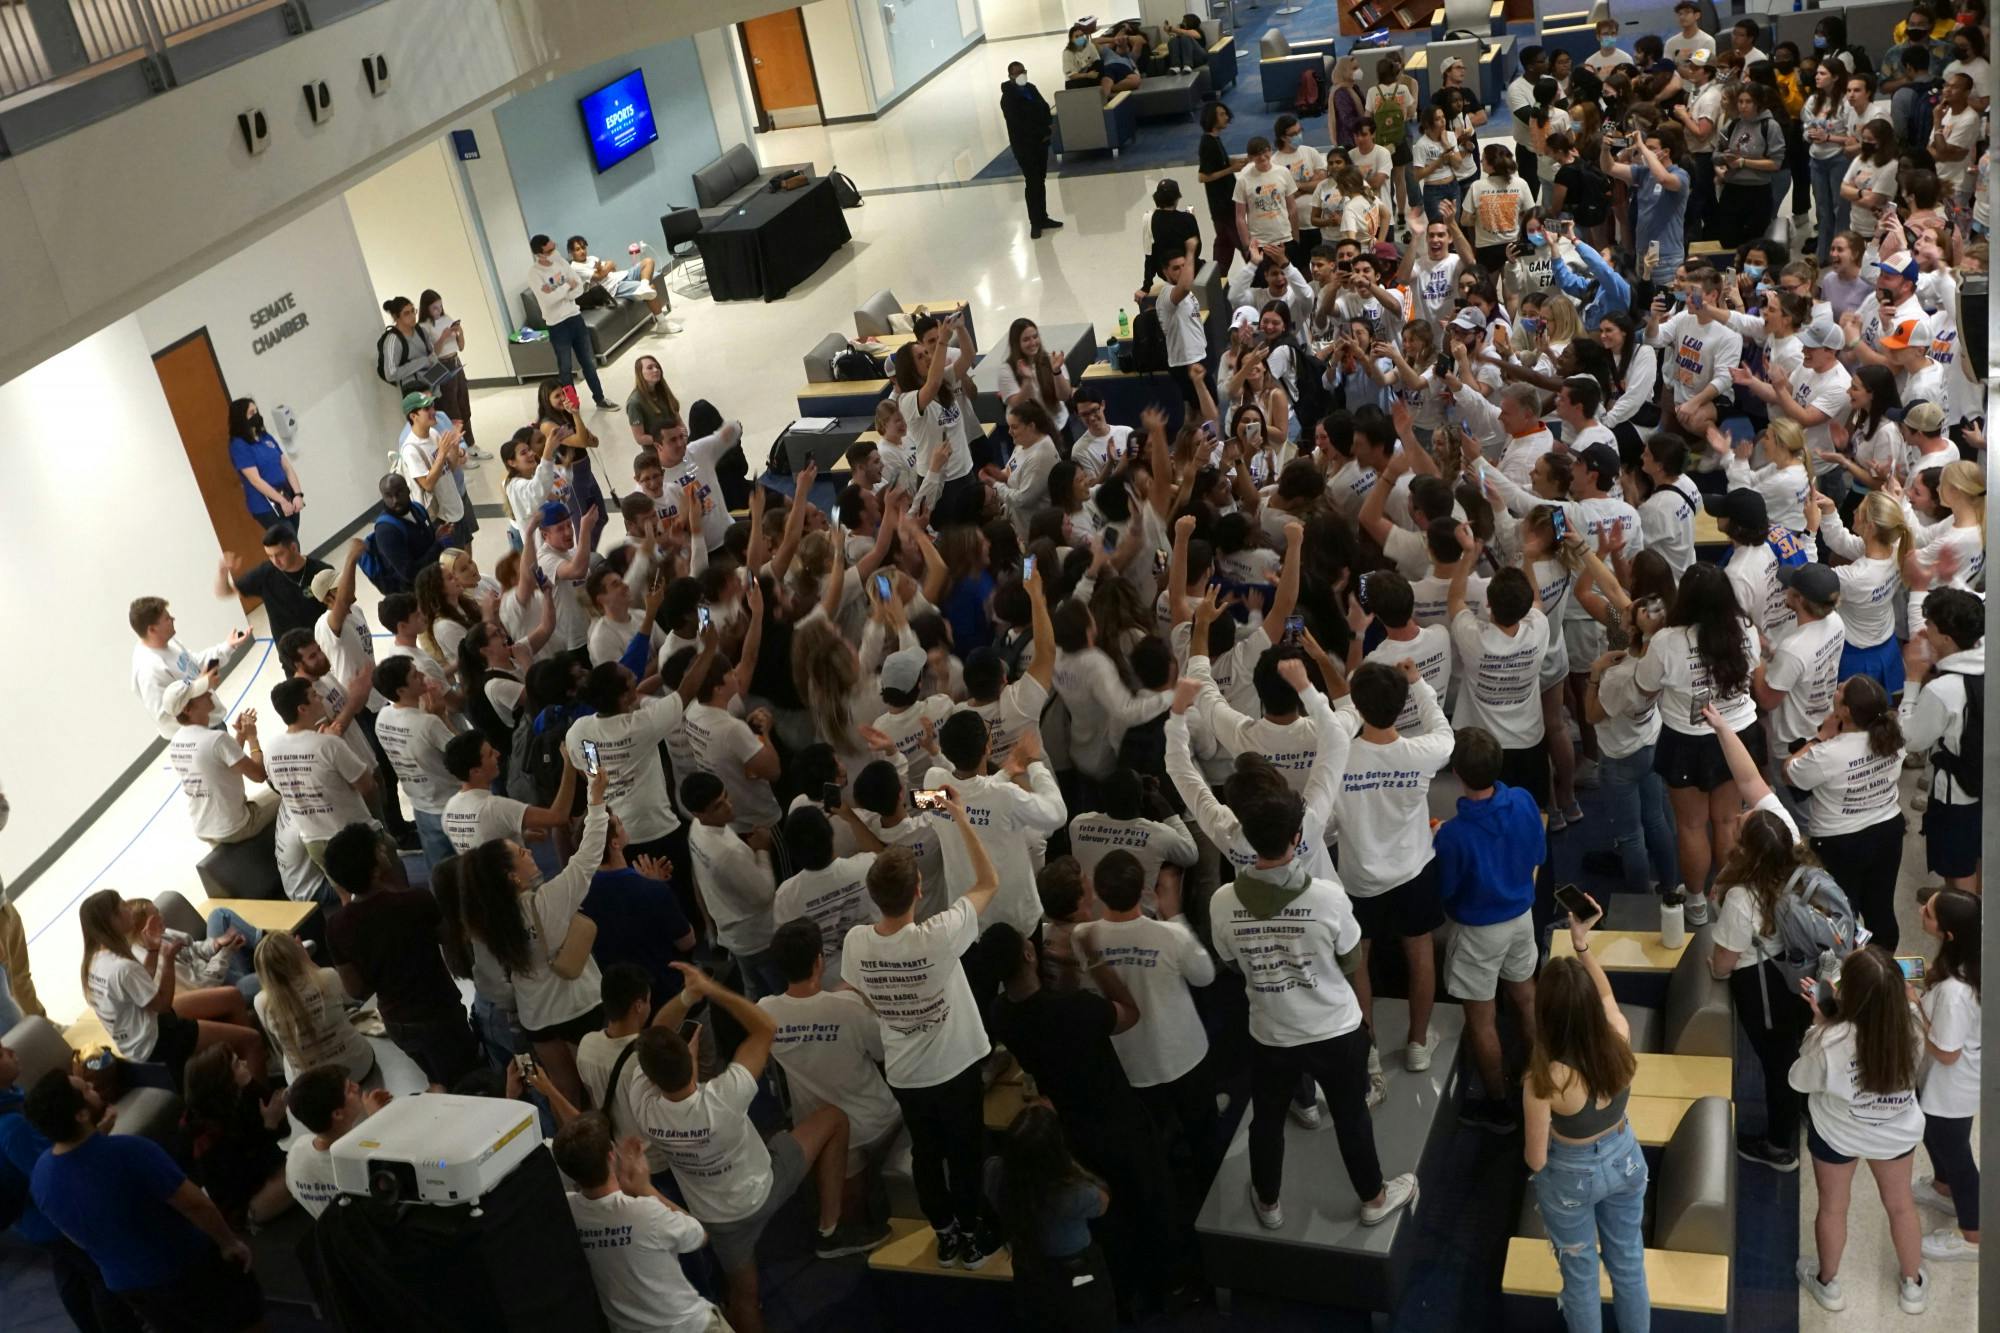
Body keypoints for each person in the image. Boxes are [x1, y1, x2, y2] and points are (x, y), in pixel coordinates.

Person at [1204, 660, 1418, 1230]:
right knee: (1351, 1116)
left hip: (1271, 1030)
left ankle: (1268, 1203)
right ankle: (1373, 1200)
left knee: (1266, 1119)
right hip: (1334, 1029)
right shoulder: (1326, 896)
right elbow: (1352, 962)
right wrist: (1312, 679)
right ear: (1299, 832)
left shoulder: (1223, 901)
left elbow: (1227, 961)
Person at [633, 963, 884, 1333]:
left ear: (651, 1077)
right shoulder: (725, 1096)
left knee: (744, 1299)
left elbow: (655, 1031)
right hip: (766, 1186)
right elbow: (765, 1028)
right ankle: (831, 1229)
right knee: (833, 1117)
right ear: (691, 1057)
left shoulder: (643, 1107)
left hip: (719, 1222)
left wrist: (688, 997)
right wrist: (707, 990)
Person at [985, 917, 1178, 1318]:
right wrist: (1094, 959)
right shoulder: (1077, 1009)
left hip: (1070, 1130)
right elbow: (1128, 1013)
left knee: (1106, 1221)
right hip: (1119, 1122)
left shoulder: (1000, 1014)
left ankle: (1121, 1293)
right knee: (1148, 1202)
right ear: (1028, 953)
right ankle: (1164, 1289)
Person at [842, 793, 1003, 1270]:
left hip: (906, 1072)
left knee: (927, 1155)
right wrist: (956, 815)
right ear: (917, 891)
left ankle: (945, 1233)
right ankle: (972, 1235)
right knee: (966, 1152)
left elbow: (863, 994)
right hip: (953, 1067)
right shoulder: (938, 934)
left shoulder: (857, 943)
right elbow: (988, 881)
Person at [23, 1070, 264, 1333]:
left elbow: (76, 1232)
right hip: (186, 1266)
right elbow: (195, 1204)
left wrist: (96, 1136)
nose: (93, 1086)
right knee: (244, 1321)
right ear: (80, 1115)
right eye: (86, 1090)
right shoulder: (131, 1152)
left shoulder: (41, 1175)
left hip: (128, 1284)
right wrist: (229, 1242)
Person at [1525, 892, 1650, 1333]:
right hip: (1627, 1157)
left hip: (1571, 1177)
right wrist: (1581, 946)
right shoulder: (1617, 1033)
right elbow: (1607, 995)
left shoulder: (1545, 1079)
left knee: (1580, 1279)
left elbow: (1537, 1160)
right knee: (1629, 1264)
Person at [459, 763, 613, 1105]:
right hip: (577, 1006)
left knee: (564, 1092)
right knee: (599, 1089)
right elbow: (587, 858)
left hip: (536, 1016)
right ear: (512, 876)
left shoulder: (485, 918)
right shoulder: (548, 902)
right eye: (521, 853)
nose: (529, 852)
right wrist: (596, 799)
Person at [1791, 947, 1931, 1316]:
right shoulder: (1914, 1023)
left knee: (1833, 1208)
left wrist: (1820, 1025)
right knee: (1901, 1206)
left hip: (1837, 1133)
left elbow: (1801, 1081)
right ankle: (1913, 1285)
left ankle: (1828, 1283)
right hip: (1896, 1132)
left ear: (1846, 994)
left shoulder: (1830, 1039)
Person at [1331, 659, 1455, 1071]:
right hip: (1413, 871)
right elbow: (1443, 731)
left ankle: (1367, 1049)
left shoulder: (1338, 760)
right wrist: (1419, 684)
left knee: (1358, 959)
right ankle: (1418, 1043)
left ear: (1358, 707)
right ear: (1400, 706)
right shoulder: (1421, 753)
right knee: (1420, 953)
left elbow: (1328, 825)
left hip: (1359, 878)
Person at [1435, 726, 1546, 1133]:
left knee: (1482, 1019)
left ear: (1458, 775)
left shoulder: (1452, 835)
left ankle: (1498, 1106)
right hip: (1522, 918)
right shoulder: (1523, 801)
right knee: (1525, 995)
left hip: (1477, 932)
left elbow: (1445, 891)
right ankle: (1542, 1080)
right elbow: (1538, 852)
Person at [758, 919, 903, 1211]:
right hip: (878, 1123)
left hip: (821, 1135)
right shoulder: (849, 1007)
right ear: (819, 961)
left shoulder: (764, 1012)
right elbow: (884, 1052)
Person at [321, 824, 480, 1087]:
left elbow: (356, 990)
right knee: (467, 1073)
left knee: (436, 1079)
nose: (384, 850)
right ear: (374, 869)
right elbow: (451, 939)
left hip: (397, 1021)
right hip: (440, 1010)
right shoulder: (416, 901)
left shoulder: (337, 927)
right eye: (378, 849)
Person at [0, 1046, 137, 1333]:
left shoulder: (13, 1097)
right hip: (51, 1220)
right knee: (99, 1276)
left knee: (71, 1274)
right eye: (1, 1054)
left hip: (40, 1221)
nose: (12, 1051)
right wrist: (98, 1134)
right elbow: (53, 1172)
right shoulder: (11, 1125)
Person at [551, 1112, 726, 1333]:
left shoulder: (566, 1211)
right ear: (611, 1156)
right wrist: (645, 1189)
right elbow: (699, 1235)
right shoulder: (646, 1212)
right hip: (689, 1326)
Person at [78, 888, 264, 1089]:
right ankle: (262, 1099)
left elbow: (141, 984)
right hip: (154, 1039)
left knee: (231, 995)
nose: (128, 910)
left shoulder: (95, 962)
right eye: (123, 907)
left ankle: (245, 1067)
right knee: (251, 1040)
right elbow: (163, 1004)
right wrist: (166, 958)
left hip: (138, 1030)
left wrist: (153, 949)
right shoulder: (121, 967)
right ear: (111, 921)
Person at [1783, 677, 1907, 950]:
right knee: (1880, 906)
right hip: (1887, 831)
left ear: (1846, 711)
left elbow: (1791, 772)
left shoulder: (1829, 752)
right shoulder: (1893, 736)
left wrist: (1821, 737)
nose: (1836, 687)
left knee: (1840, 910)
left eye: (1840, 690)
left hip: (1839, 842)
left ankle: (1846, 969)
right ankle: (1881, 966)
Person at [986, 1105, 1116, 1331]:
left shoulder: (994, 1174)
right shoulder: (1071, 1193)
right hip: (1076, 1273)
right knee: (1091, 1317)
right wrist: (1070, 1166)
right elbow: (1103, 1202)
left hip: (1028, 1265)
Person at [1899, 587, 1984, 894]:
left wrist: (1912, 678)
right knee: (1980, 854)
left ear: (1947, 639)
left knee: (1957, 867)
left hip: (1957, 794)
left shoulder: (1943, 690)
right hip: (1987, 782)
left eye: (1930, 627)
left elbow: (1910, 740)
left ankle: (1960, 918)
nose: (1925, 632)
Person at [1913, 887, 1980, 1263]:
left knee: (1956, 1154)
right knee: (1932, 1134)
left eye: (1930, 911)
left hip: (1952, 1086)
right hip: (1946, 1082)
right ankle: (1942, 1189)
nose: (1922, 909)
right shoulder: (1968, 959)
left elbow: (1946, 1051)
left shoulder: (1956, 993)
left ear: (1949, 934)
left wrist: (1914, 1010)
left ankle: (1974, 1233)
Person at [253, 930, 372, 1083]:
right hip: (357, 1067)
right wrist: (308, 963)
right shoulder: (327, 977)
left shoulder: (261, 1002)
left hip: (310, 1087)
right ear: (297, 954)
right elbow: (352, 998)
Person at [129, 596, 249, 739]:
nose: (173, 619)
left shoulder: (169, 642)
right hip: (199, 735)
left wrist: (228, 647)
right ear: (152, 629)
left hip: (211, 721)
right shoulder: (149, 671)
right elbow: (164, 715)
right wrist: (201, 686)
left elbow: (195, 663)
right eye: (167, 618)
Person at [282, 1065, 390, 1218]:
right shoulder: (363, 1157)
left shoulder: (296, 1150)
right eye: (349, 1089)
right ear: (338, 1114)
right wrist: (377, 1122)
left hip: (335, 1233)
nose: (357, 1086)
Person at [527, 232, 611, 409]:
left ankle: (600, 398)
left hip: (575, 318)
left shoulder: (561, 262)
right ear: (540, 254)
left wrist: (555, 289)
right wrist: (565, 285)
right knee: (565, 368)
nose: (553, 252)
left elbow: (578, 287)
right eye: (549, 250)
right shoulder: (534, 274)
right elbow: (547, 300)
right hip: (557, 325)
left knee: (588, 361)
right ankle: (572, 405)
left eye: (553, 247)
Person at [215, 525, 328, 642]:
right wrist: (223, 573)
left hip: (322, 642)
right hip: (290, 651)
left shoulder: (320, 571)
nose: (275, 561)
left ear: (293, 548)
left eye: (279, 554)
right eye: (270, 556)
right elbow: (225, 592)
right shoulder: (264, 574)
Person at [1000, 62, 1062, 239]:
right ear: (1010, 75)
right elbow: (1020, 123)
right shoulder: (1008, 98)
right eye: (1017, 73)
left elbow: (1043, 106)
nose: (1022, 75)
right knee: (1032, 181)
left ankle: (1043, 217)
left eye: (1023, 71)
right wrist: (1040, 129)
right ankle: (1035, 222)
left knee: (1040, 180)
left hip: (1040, 143)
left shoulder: (1031, 88)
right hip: (1024, 146)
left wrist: (1046, 128)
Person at [226, 397, 304, 533]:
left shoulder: (265, 437)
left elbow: (287, 467)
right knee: (287, 541)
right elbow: (255, 480)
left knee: (293, 542)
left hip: (287, 494)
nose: (256, 415)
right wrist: (282, 501)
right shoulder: (239, 445)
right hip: (266, 505)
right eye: (251, 413)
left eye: (256, 411)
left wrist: (298, 494)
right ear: (241, 418)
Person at [1198, 101, 1248, 265]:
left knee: (1224, 244)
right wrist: (1230, 169)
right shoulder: (1207, 143)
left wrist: (1237, 162)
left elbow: (1221, 161)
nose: (1226, 117)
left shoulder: (1215, 140)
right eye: (1221, 114)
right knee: (1242, 241)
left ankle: (1218, 278)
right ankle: (1258, 275)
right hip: (1223, 204)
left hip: (1223, 204)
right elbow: (1203, 176)